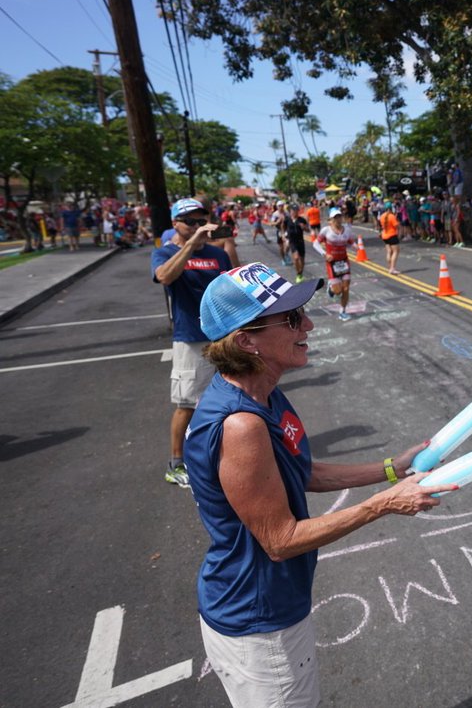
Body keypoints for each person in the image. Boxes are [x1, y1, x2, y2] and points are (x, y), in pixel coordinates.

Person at [189, 262, 452, 707]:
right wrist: (384, 504)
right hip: (259, 615)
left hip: (276, 602)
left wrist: (392, 469)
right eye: (291, 318)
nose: (308, 324)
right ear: (246, 340)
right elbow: (280, 539)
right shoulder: (240, 425)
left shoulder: (262, 392)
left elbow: (300, 471)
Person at [151, 197, 234, 488]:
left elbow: (230, 288)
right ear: (176, 224)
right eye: (190, 221)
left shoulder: (217, 254)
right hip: (190, 338)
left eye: (202, 220)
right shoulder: (166, 253)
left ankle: (217, 451)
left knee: (226, 397)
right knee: (187, 403)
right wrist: (190, 245)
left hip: (221, 335)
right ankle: (176, 462)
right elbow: (163, 277)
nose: (197, 226)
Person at [313, 209, 355, 321]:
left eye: (339, 216)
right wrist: (324, 254)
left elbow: (351, 242)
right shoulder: (326, 231)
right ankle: (331, 289)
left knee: (346, 288)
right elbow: (315, 243)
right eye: (335, 217)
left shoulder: (347, 230)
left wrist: (358, 248)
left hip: (344, 262)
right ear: (331, 220)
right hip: (332, 264)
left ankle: (343, 311)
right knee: (338, 291)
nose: (338, 219)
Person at [380, 201, 400, 274]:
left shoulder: (382, 216)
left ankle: (389, 266)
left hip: (385, 235)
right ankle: (392, 268)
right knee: (395, 251)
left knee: (389, 251)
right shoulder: (392, 216)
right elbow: (396, 226)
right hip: (392, 235)